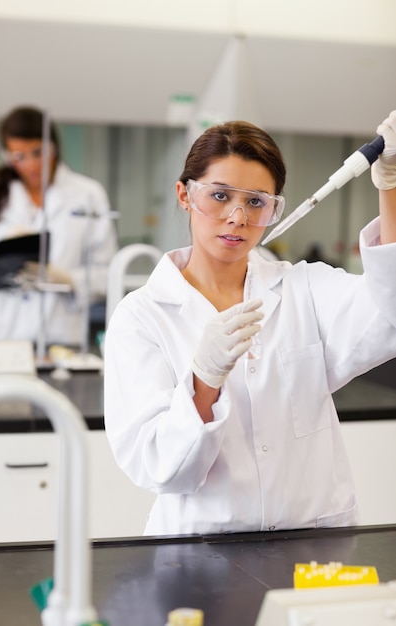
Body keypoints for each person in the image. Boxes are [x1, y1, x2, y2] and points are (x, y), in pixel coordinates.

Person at [104, 112, 396, 536]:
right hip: (200, 552)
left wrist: (389, 186)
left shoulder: (304, 290)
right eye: (220, 196)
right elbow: (161, 468)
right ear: (185, 195)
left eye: (257, 202)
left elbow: (390, 310)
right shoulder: (143, 316)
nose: (238, 217)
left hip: (312, 544)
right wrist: (203, 380)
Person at [0, 106, 118, 347]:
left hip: (59, 334)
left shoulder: (87, 194)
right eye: (18, 156)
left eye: (37, 152)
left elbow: (107, 273)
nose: (31, 164)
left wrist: (68, 279)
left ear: (53, 147)